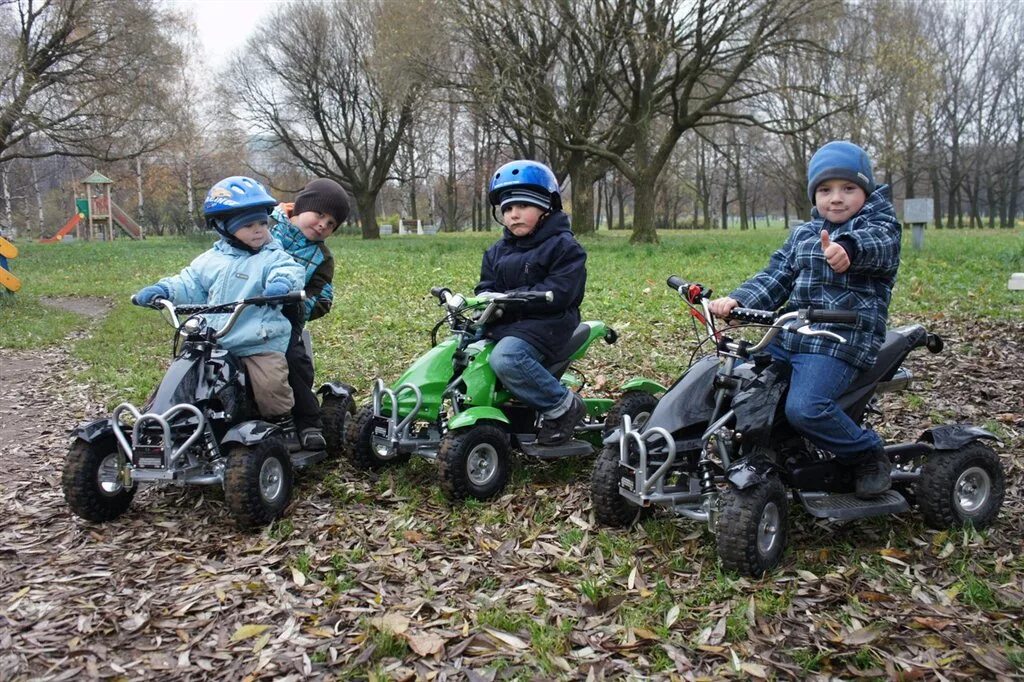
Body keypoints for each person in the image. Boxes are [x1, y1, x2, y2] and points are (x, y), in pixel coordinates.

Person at [707, 140, 902, 499]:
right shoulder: (804, 234)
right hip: (791, 335)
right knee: (737, 380)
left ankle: (866, 453)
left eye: (848, 188)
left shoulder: (880, 226)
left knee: (806, 408)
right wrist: (738, 301)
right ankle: (777, 447)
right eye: (825, 190)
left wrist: (847, 251)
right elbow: (776, 275)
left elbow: (879, 247)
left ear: (866, 191)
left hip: (840, 340)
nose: (836, 198)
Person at [134, 176, 305, 434]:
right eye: (248, 225)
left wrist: (280, 286)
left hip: (257, 341)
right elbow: (189, 282)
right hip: (214, 341)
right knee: (183, 376)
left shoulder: (273, 256)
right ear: (224, 227)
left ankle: (282, 424)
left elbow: (289, 271)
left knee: (270, 384)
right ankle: (166, 419)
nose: (259, 230)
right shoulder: (211, 260)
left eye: (262, 223)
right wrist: (164, 290)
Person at [477, 160, 588, 446]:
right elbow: (486, 286)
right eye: (507, 209)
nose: (514, 215)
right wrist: (484, 300)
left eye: (522, 207)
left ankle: (562, 406)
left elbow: (561, 292)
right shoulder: (496, 251)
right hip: (507, 322)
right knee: (460, 350)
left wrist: (516, 299)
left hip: (549, 322)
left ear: (545, 208)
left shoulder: (565, 247)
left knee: (507, 358)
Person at [269, 178, 350, 450]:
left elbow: (323, 295)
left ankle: (308, 421)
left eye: (331, 225)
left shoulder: (322, 257)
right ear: (302, 207)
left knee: (294, 361)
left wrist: (298, 303)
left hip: (285, 320)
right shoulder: (265, 230)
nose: (322, 226)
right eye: (320, 215)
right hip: (243, 312)